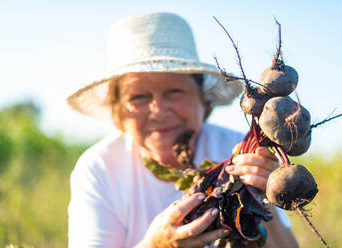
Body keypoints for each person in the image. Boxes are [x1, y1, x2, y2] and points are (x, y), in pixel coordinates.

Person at [67, 12, 299, 248]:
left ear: (203, 100)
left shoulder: (242, 153)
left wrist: (261, 196)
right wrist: (156, 245)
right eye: (138, 97)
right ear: (118, 112)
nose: (158, 110)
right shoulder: (99, 169)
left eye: (174, 92)